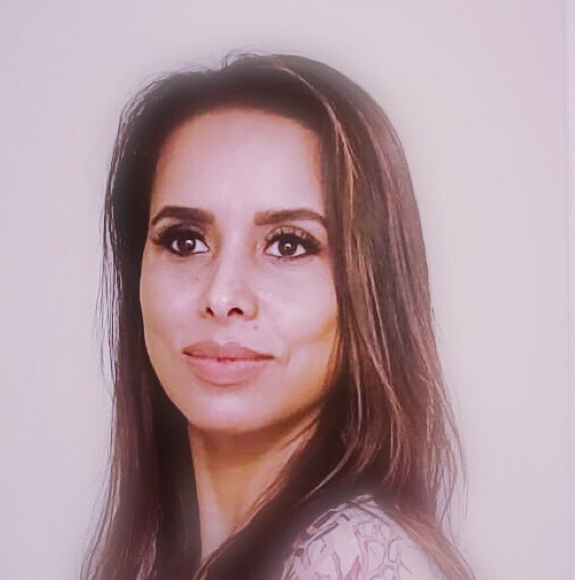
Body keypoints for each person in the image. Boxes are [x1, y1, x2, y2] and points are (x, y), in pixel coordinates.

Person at [83, 53, 474, 580]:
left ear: (372, 287)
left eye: (289, 244)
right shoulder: (162, 556)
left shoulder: (356, 563)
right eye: (185, 240)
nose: (222, 295)